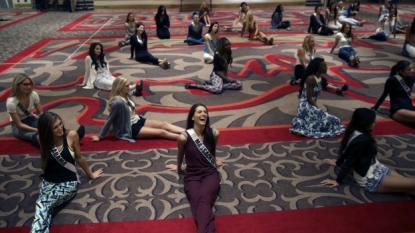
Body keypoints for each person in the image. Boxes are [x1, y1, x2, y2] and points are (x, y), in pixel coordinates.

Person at [30, 111, 103, 233]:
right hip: (49, 181)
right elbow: (45, 159)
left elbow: (79, 158)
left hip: (68, 182)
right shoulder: (41, 139)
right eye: (55, 127)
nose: (60, 128)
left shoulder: (71, 135)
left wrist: (90, 175)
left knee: (42, 204)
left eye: (60, 124)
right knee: (47, 209)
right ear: (47, 130)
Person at [321, 108, 415, 196]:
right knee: (411, 185)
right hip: (370, 177)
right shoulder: (362, 140)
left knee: (409, 186)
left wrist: (338, 162)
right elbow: (350, 158)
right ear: (365, 124)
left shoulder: (353, 130)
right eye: (373, 122)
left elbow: (347, 151)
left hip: (375, 166)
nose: (375, 123)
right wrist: (338, 180)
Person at [166, 103, 224, 233]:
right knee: (197, 202)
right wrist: (179, 166)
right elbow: (180, 153)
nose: (203, 114)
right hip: (192, 176)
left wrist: (214, 161)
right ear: (192, 117)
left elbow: (212, 150)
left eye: (205, 112)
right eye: (199, 112)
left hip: (210, 174)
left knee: (204, 197)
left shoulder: (214, 134)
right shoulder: (183, 137)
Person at [91, 76, 185, 143]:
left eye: (129, 85)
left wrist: (136, 87)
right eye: (127, 86)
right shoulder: (118, 102)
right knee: (162, 132)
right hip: (129, 127)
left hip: (137, 119)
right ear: (120, 88)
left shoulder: (127, 94)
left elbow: (133, 90)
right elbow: (109, 119)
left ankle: (190, 132)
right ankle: (187, 139)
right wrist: (100, 136)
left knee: (164, 124)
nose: (129, 87)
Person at [289, 58, 345, 138]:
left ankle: (304, 125)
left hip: (312, 105)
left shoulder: (319, 77)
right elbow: (309, 98)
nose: (326, 68)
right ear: (318, 68)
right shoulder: (310, 79)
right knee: (332, 120)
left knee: (336, 121)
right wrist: (318, 109)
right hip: (305, 106)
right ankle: (302, 127)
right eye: (324, 66)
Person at [79, 42, 143, 96]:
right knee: (114, 85)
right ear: (93, 49)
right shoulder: (88, 58)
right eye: (97, 49)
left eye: (100, 49)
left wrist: (109, 75)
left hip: (106, 75)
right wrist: (83, 83)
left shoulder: (102, 56)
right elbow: (87, 71)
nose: (99, 50)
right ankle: (134, 87)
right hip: (97, 79)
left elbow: (106, 68)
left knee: (119, 82)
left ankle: (134, 91)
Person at [6, 74, 44, 147]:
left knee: (48, 130)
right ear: (17, 85)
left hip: (31, 118)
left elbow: (40, 112)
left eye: (30, 84)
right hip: (18, 126)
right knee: (34, 135)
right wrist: (36, 130)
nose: (29, 87)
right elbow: (19, 124)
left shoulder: (33, 94)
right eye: (25, 84)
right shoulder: (11, 102)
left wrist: (45, 122)